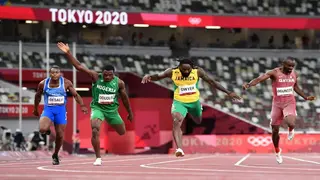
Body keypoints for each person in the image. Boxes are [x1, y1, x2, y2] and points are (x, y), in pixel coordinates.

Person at [141, 58, 241, 157]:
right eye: (184, 69)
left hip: (194, 102)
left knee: (198, 121)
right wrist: (149, 76)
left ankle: (198, 110)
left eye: (188, 69)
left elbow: (212, 82)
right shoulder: (172, 72)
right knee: (176, 121)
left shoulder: (197, 72)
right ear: (179, 67)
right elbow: (158, 76)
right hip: (179, 102)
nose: (186, 71)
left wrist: (228, 92)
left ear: (192, 68)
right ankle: (179, 149)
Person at [57, 42, 134, 166]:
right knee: (95, 129)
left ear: (114, 74)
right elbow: (79, 66)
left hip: (112, 111)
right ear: (102, 73)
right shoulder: (95, 77)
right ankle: (98, 157)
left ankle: (114, 124)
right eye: (105, 74)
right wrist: (68, 53)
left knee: (121, 132)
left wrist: (130, 113)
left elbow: (125, 99)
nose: (107, 77)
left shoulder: (119, 83)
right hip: (98, 108)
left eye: (110, 75)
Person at [242, 57, 316, 164]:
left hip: (289, 102)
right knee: (275, 130)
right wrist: (249, 84)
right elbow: (259, 79)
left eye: (292, 66)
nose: (291, 68)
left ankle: (291, 129)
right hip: (276, 104)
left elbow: (295, 87)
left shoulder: (295, 74)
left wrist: (305, 97)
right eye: (289, 66)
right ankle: (277, 151)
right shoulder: (274, 73)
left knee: (290, 122)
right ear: (283, 64)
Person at [33, 65, 88, 165]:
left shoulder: (66, 83)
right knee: (42, 129)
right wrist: (35, 108)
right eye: (52, 72)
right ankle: (48, 128)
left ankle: (55, 154)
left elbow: (75, 95)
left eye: (56, 72)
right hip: (48, 110)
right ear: (49, 73)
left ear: (60, 73)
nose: (54, 74)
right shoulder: (43, 83)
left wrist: (82, 105)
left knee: (60, 135)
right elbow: (37, 96)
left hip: (61, 111)